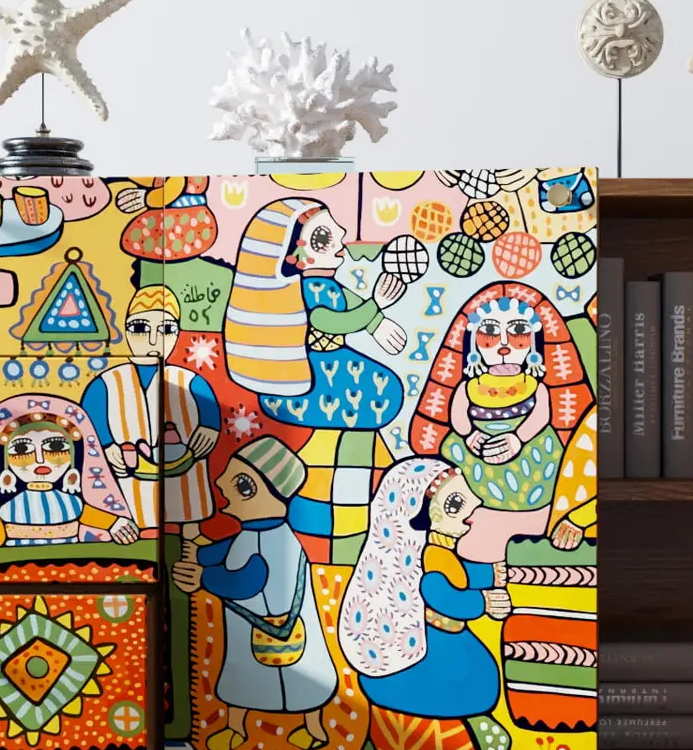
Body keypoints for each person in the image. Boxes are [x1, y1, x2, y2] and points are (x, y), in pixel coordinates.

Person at [169, 436, 336, 750]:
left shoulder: (275, 540)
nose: (221, 485)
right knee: (243, 679)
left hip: (274, 626)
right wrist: (200, 553)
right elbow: (230, 550)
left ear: (253, 489)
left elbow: (249, 581)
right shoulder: (252, 533)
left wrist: (203, 577)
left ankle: (314, 730)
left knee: (297, 683)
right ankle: (236, 727)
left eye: (236, 482)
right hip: (255, 628)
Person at [409, 281, 595, 557]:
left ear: (534, 342)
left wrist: (518, 438)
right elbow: (458, 413)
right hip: (477, 446)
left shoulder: (535, 385)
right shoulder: (469, 385)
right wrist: (470, 435)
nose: (505, 344)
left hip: (528, 447)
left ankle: (529, 514)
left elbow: (541, 415)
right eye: (491, 334)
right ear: (473, 343)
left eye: (518, 332)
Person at [338, 457, 511, 720]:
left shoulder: (443, 550)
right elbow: (440, 593)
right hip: (433, 642)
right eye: (456, 504)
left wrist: (491, 572)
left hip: (453, 638)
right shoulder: (425, 557)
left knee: (481, 678)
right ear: (426, 516)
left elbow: (461, 573)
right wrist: (483, 602)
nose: (475, 503)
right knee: (474, 685)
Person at [222, 197, 406, 429]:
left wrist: (377, 324)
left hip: (332, 363)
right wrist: (374, 305)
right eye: (322, 238)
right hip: (316, 370)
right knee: (384, 390)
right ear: (290, 254)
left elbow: (348, 301)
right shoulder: (306, 290)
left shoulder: (327, 285)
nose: (342, 233)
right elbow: (327, 321)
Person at [81, 284, 219, 535]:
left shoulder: (189, 380)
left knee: (187, 527)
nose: (153, 340)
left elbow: (210, 411)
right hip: (129, 482)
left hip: (185, 482)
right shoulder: (106, 383)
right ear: (125, 330)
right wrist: (107, 445)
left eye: (166, 329)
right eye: (140, 328)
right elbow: (90, 420)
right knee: (135, 525)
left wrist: (210, 427)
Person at [0, 410, 140, 545]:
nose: (40, 460)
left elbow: (90, 516)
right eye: (22, 449)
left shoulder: (71, 503)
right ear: (6, 461)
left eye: (56, 447)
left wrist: (114, 524)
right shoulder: (9, 509)